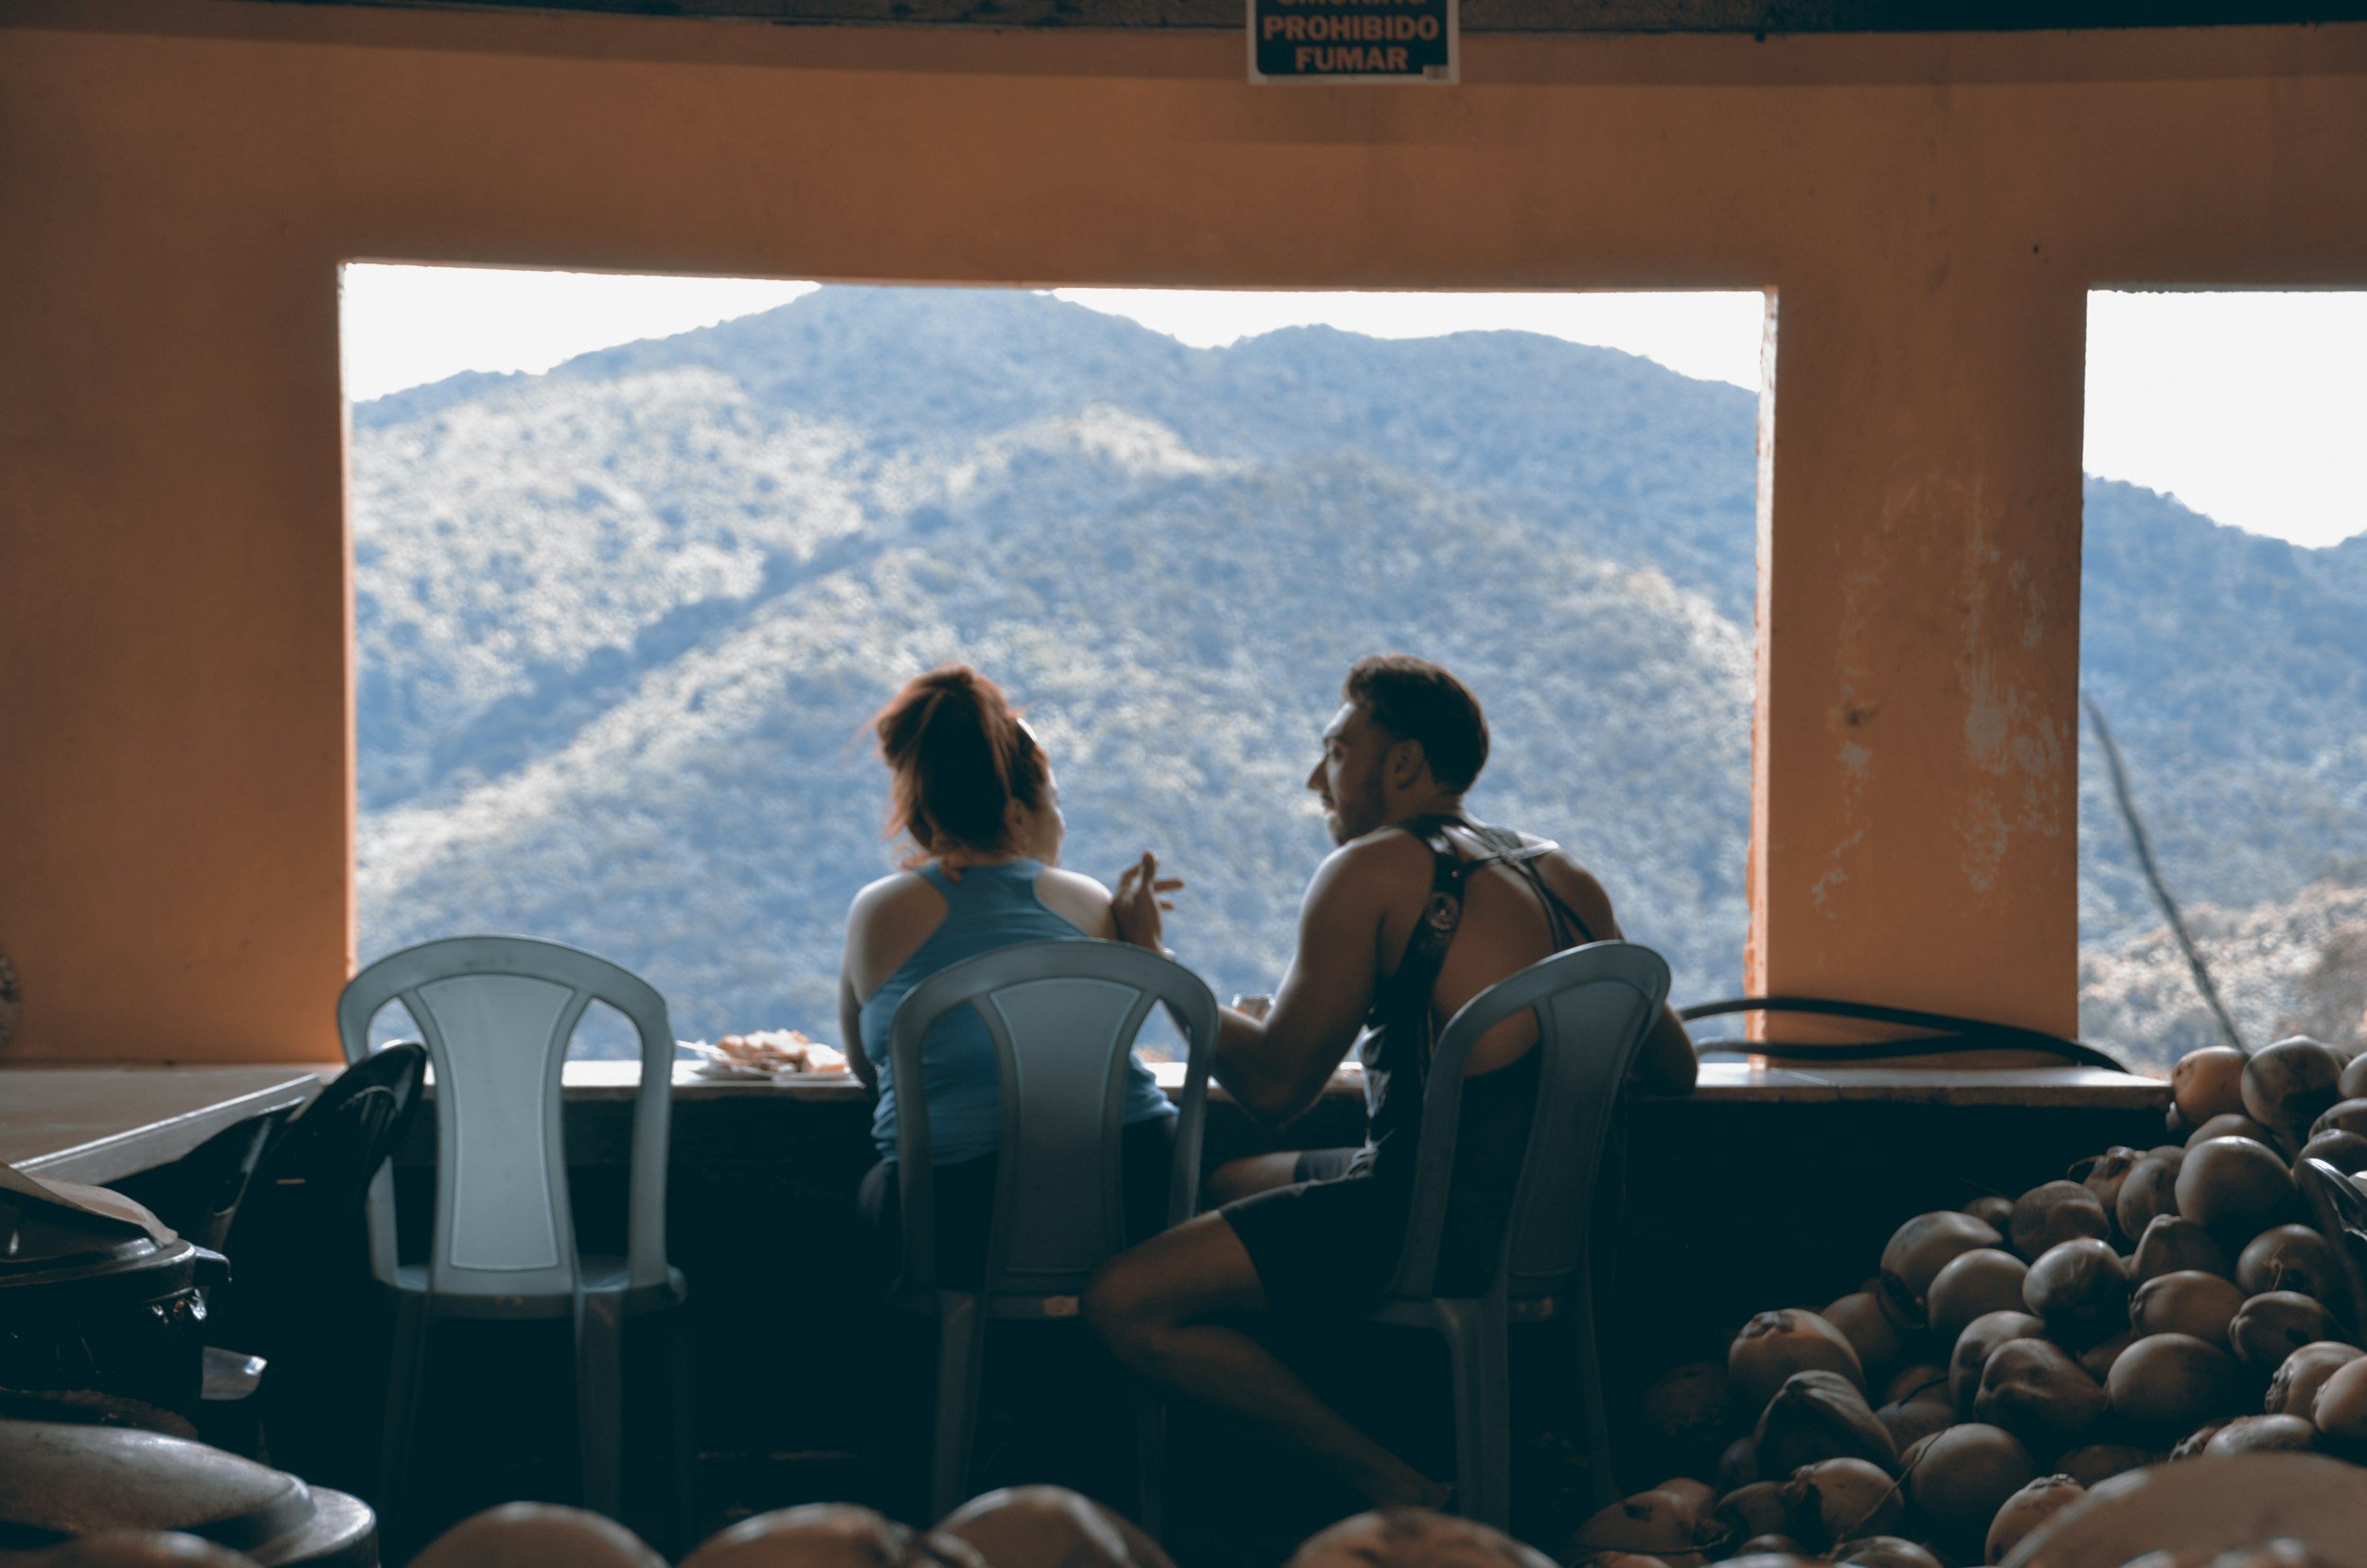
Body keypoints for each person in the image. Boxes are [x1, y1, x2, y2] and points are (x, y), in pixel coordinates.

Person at [1082, 654, 1699, 1508]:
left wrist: (1155, 967)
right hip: (1558, 1227)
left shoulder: (1372, 870)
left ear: (1402, 763)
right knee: (1233, 1184)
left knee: (1124, 1302)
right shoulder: (1563, 876)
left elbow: (1273, 1087)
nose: (1315, 777)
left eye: (1335, 750)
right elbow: (1678, 1069)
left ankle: (1395, 1484)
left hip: (1424, 1225)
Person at [841, 666, 1181, 1287]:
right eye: (1058, 804)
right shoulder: (1090, 901)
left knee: (866, 1193)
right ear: (1022, 812)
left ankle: (929, 1376)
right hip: (1136, 1190)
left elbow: (875, 1071)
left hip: (958, 1216)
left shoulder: (877, 911)